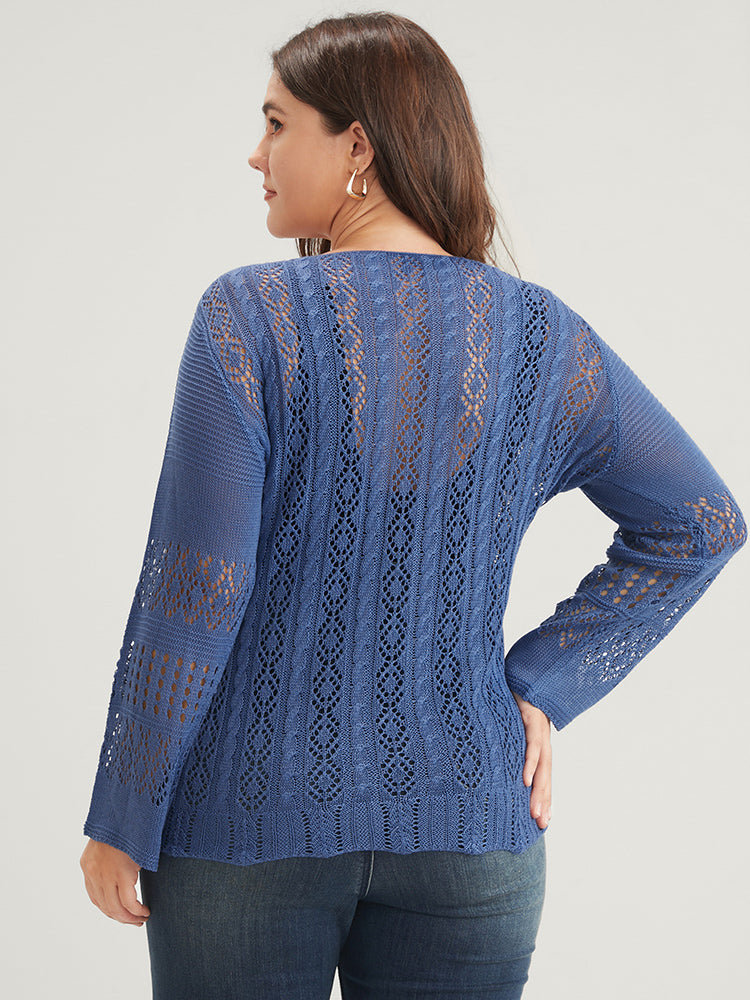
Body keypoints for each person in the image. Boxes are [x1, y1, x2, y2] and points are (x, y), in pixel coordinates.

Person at [80, 11, 745, 1000]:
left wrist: (123, 813)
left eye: (276, 123)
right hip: (471, 824)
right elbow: (702, 523)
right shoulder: (543, 335)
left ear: (357, 145)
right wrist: (537, 687)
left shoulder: (250, 315)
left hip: (246, 827)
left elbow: (199, 584)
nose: (256, 153)